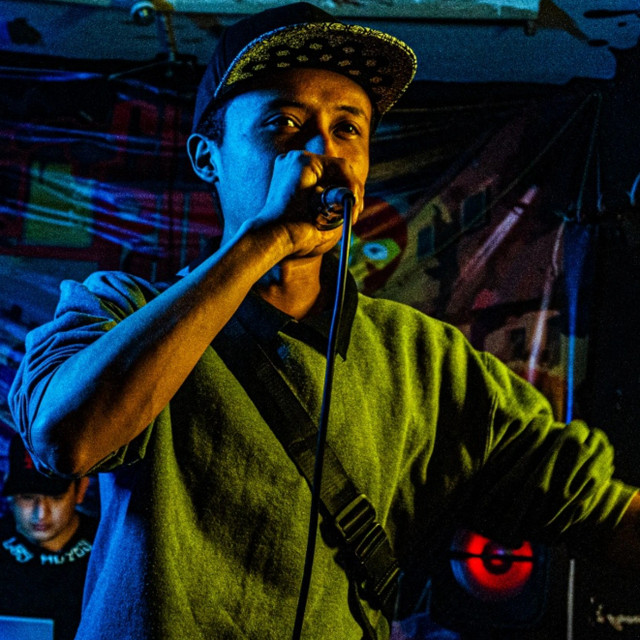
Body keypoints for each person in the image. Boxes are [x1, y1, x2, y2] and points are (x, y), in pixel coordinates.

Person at [6, 2, 640, 639]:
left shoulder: (422, 359)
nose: (322, 151)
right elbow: (68, 440)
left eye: (348, 128)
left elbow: (595, 508)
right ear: (207, 156)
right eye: (284, 123)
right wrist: (262, 242)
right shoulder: (120, 310)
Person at [0, 432, 96, 640]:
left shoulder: (107, 548)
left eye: (56, 497)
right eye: (27, 497)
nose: (41, 513)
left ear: (81, 489)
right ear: (10, 497)